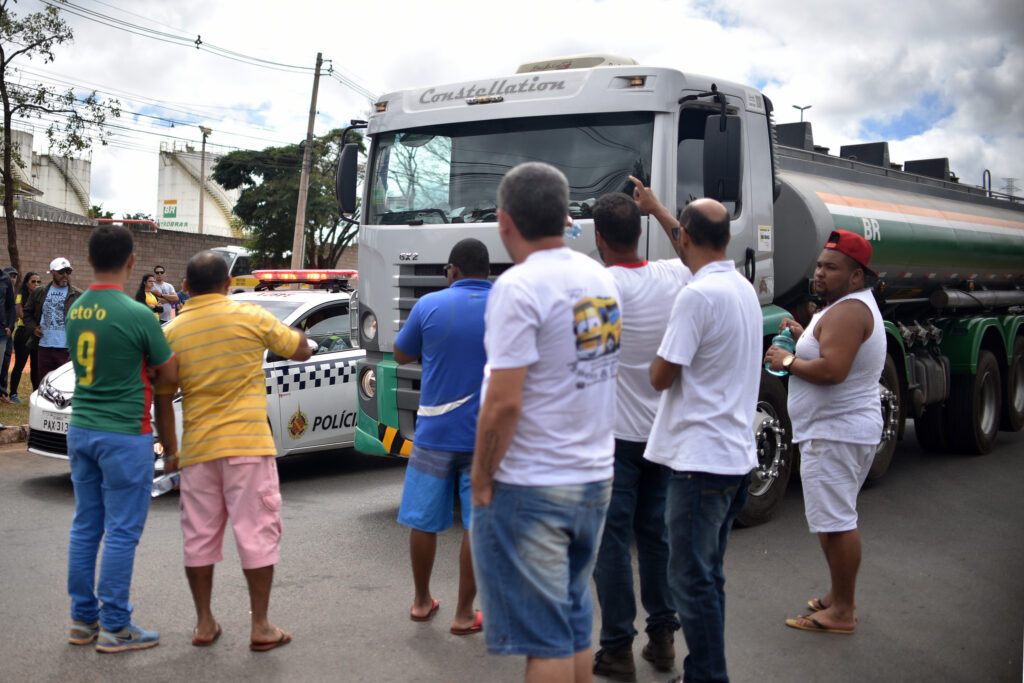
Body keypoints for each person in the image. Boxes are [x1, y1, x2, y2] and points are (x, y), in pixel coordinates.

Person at [470, 162, 621, 682]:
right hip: (594, 478)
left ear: (503, 221)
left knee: (546, 640)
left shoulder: (519, 286)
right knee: (573, 624)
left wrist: (482, 475)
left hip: (533, 483)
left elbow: (504, 402)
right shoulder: (599, 279)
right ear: (564, 216)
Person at [154, 251, 311, 652]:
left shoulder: (171, 332)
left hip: (198, 450)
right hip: (248, 446)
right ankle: (260, 625)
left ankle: (205, 623)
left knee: (199, 538)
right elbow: (301, 351)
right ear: (228, 284)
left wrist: (170, 450)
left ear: (185, 287)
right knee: (257, 533)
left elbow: (163, 395)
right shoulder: (250, 316)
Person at [641, 188, 760, 683]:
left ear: (686, 238)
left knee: (690, 580)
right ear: (728, 237)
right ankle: (705, 669)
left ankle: (709, 675)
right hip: (734, 458)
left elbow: (661, 376)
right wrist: (658, 209)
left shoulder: (695, 296)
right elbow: (690, 247)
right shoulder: (741, 288)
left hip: (698, 463)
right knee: (707, 577)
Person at [590, 188, 690, 681]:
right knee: (655, 535)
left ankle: (616, 648)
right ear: (640, 230)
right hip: (663, 435)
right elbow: (692, 250)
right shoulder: (673, 275)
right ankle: (664, 637)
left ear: (599, 237)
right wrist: (659, 208)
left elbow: (588, 365)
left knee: (610, 541)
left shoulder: (603, 288)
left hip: (616, 437)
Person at [763, 229, 885, 636]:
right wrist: (803, 337)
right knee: (832, 519)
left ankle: (843, 611)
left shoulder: (849, 311)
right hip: (837, 431)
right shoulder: (845, 307)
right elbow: (830, 350)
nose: (819, 273)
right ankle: (838, 595)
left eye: (831, 268)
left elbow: (833, 371)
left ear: (856, 276)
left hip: (837, 434)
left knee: (838, 521)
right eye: (819, 264)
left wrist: (788, 360)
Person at [64, 225, 177, 653]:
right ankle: (115, 626)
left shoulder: (77, 309)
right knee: (123, 531)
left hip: (82, 430)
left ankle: (82, 621)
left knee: (85, 526)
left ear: (90, 260)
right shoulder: (137, 315)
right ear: (131, 262)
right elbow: (168, 373)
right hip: (125, 433)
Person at [394, 238, 491, 635]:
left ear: (452, 270)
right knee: (477, 523)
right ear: (488, 271)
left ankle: (421, 601)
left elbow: (402, 354)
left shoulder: (429, 305)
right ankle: (465, 613)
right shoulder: (509, 303)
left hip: (434, 431)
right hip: (486, 437)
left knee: (424, 519)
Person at [23, 257, 83, 379]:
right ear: (52, 272)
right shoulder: (39, 292)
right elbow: (27, 313)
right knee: (44, 382)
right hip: (45, 346)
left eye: (68, 271)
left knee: (65, 383)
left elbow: (85, 322)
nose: (65, 275)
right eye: (61, 272)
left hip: (67, 349)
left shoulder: (78, 295)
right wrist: (34, 328)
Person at [9, 271, 42, 400]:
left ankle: (36, 394)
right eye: (33, 281)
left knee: (36, 366)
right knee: (20, 364)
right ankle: (13, 393)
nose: (36, 284)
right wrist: (33, 325)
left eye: (38, 281)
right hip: (24, 332)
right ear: (27, 283)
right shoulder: (20, 295)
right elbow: (21, 313)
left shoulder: (42, 296)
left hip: (37, 334)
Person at [0, 266, 16, 402]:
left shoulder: (4, 279)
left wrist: (10, 326)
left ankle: (2, 393)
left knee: (3, 363)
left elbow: (11, 306)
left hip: (2, 330)